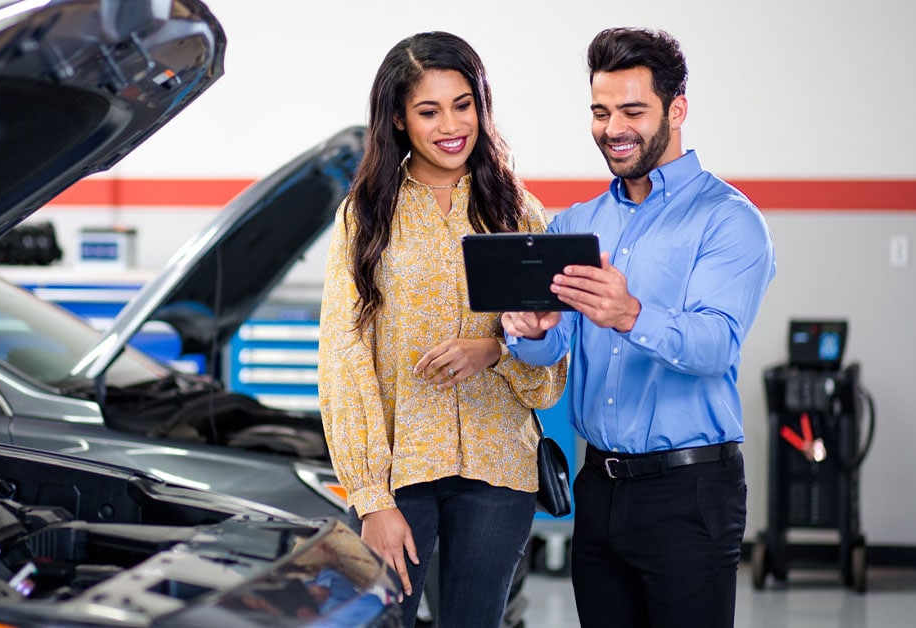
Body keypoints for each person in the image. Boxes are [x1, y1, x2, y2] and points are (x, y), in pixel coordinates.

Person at [502, 27, 777, 628]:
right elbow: (550, 348)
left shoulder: (729, 222)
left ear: (677, 109)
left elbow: (716, 345)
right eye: (600, 112)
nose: (613, 128)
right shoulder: (577, 223)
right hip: (597, 489)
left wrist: (630, 315)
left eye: (632, 110)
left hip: (690, 493)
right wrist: (528, 329)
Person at [317, 31, 567, 628]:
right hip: (400, 472)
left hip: (499, 468)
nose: (451, 125)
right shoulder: (364, 217)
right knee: (379, 621)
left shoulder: (517, 212)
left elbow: (550, 370)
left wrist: (498, 351)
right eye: (428, 111)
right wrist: (371, 498)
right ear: (399, 120)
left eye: (463, 104)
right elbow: (343, 354)